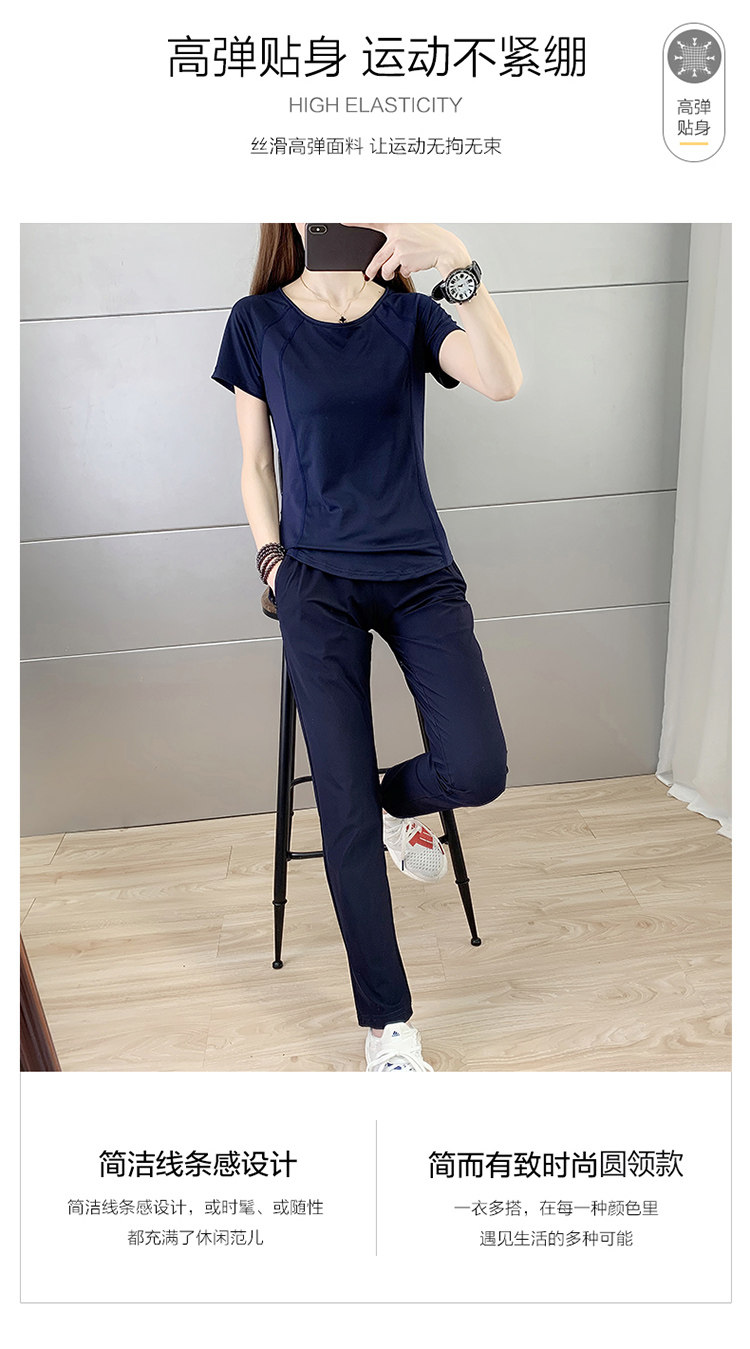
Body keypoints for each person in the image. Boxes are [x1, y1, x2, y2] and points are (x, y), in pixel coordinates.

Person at [211, 222, 523, 1072]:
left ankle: (389, 801)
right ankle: (388, 1027)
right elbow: (255, 464)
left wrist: (457, 257)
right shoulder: (257, 321)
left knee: (477, 767)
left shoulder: (411, 316)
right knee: (340, 809)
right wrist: (272, 562)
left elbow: (502, 381)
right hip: (316, 582)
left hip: (418, 571)